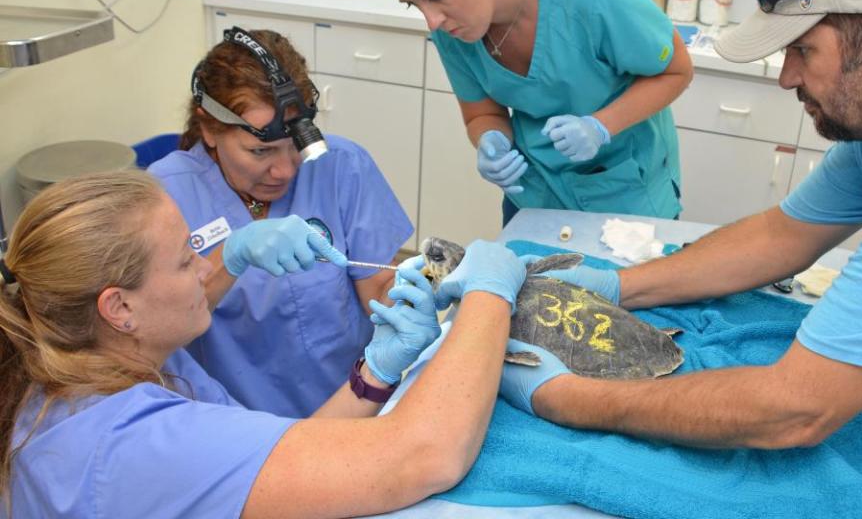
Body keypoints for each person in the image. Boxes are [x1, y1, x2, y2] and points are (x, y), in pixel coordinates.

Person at [495, 0, 862, 449]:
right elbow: (782, 235)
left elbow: (793, 411)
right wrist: (614, 286)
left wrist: (563, 398)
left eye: (803, 50)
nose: (787, 78)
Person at [0, 170, 527, 517]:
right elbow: (425, 457)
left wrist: (376, 371)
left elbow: (277, 467)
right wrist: (489, 291)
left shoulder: (102, 364)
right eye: (186, 260)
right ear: (119, 309)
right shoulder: (130, 442)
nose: (209, 266)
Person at [149, 29, 414, 417]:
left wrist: (413, 300)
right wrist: (232, 256)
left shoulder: (339, 165)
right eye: (260, 151)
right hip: (234, 426)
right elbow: (155, 332)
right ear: (209, 129)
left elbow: (377, 284)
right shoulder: (163, 197)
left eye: (296, 145)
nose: (285, 170)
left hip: (354, 400)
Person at [367, 0, 694, 225]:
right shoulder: (453, 32)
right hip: (535, 197)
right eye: (414, 3)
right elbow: (481, 114)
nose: (432, 20)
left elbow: (676, 72)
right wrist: (490, 141)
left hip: (626, 193)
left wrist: (600, 126)